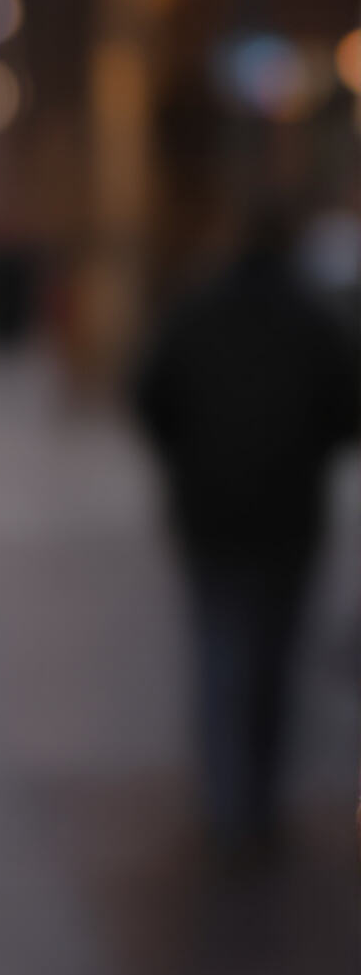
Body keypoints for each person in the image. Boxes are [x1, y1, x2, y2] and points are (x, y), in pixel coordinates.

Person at [133, 212, 361, 855]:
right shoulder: (315, 320)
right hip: (288, 515)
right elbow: (347, 411)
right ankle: (256, 800)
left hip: (209, 511)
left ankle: (227, 799)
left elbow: (150, 394)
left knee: (220, 652)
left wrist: (187, 458)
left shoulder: (196, 310)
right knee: (276, 661)